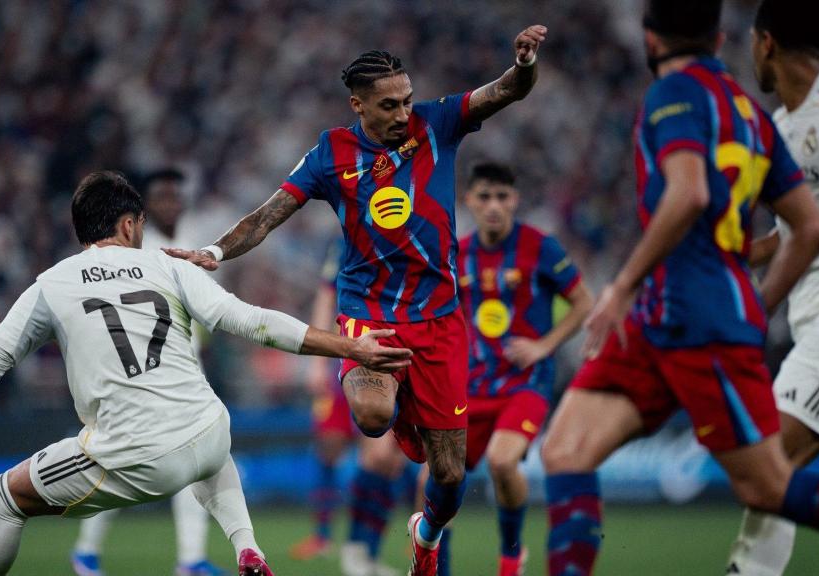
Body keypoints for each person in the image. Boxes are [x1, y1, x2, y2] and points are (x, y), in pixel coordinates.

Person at [164, 24, 549, 575]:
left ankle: (427, 533)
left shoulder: (437, 123)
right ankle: (395, 410)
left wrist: (526, 64)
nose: (402, 113)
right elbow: (268, 215)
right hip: (368, 314)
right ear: (358, 105)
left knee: (449, 476)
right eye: (389, 105)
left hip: (439, 321)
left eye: (407, 101)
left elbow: (506, 90)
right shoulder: (331, 152)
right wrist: (215, 252)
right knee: (371, 416)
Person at [0, 171, 412, 576]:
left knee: (0, 496)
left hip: (135, 453)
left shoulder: (51, 284)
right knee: (208, 442)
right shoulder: (171, 266)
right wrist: (351, 347)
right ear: (128, 225)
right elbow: (252, 322)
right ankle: (248, 548)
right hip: (209, 431)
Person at [539, 1, 819, 574]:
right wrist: (757, 306)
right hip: (673, 316)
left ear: (649, 40)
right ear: (719, 38)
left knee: (766, 487)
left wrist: (620, 286)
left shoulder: (673, 93)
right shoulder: (752, 113)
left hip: (693, 313)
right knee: (565, 449)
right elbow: (809, 227)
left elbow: (688, 193)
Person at [726, 1, 819, 574]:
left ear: (765, 44)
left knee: (767, 463)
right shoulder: (779, 131)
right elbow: (791, 237)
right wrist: (733, 256)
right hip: (815, 322)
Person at [433, 162, 593, 576]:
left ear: (515, 200)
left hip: (525, 384)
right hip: (468, 389)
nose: (493, 206)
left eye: (502, 197)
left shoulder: (541, 247)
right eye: (484, 197)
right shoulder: (457, 255)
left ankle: (511, 554)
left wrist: (545, 345)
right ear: (469, 200)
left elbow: (583, 303)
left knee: (504, 463)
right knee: (434, 482)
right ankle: (437, 569)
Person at [70, 169, 225, 576]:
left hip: (183, 370)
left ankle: (190, 559)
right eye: (161, 197)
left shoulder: (197, 245)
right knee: (125, 461)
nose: (169, 204)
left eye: (175, 196)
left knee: (199, 461)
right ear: (144, 207)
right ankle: (87, 551)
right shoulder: (136, 247)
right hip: (138, 371)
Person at [289, 239, 406, 576]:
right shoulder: (349, 238)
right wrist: (317, 359)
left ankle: (364, 553)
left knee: (384, 459)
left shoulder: (413, 233)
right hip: (347, 354)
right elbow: (328, 293)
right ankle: (331, 539)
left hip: (394, 353)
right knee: (331, 445)